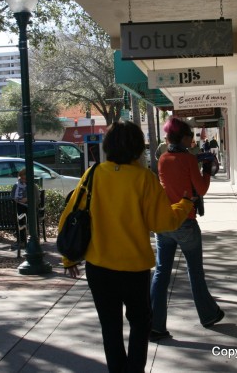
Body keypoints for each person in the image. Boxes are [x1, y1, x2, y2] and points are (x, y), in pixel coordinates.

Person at [59, 121, 194, 373]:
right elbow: (161, 222)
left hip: (99, 268)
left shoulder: (93, 174)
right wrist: (185, 204)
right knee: (140, 324)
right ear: (136, 148)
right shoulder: (144, 179)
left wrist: (69, 259)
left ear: (107, 146)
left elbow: (70, 215)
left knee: (110, 327)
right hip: (134, 268)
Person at [150, 117, 224, 341]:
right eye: (190, 136)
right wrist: (207, 171)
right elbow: (200, 190)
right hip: (186, 222)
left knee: (161, 272)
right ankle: (208, 315)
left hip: (165, 222)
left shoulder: (163, 159)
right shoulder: (189, 160)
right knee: (195, 271)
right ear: (182, 137)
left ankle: (155, 324)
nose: (192, 140)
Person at [11, 168, 39, 247]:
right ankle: (22, 240)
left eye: (25, 178)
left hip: (31, 208)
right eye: (22, 178)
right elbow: (13, 195)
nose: (23, 180)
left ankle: (33, 240)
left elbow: (37, 199)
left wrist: (27, 199)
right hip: (20, 207)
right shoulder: (16, 185)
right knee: (20, 220)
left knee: (30, 221)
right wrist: (16, 199)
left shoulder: (33, 186)